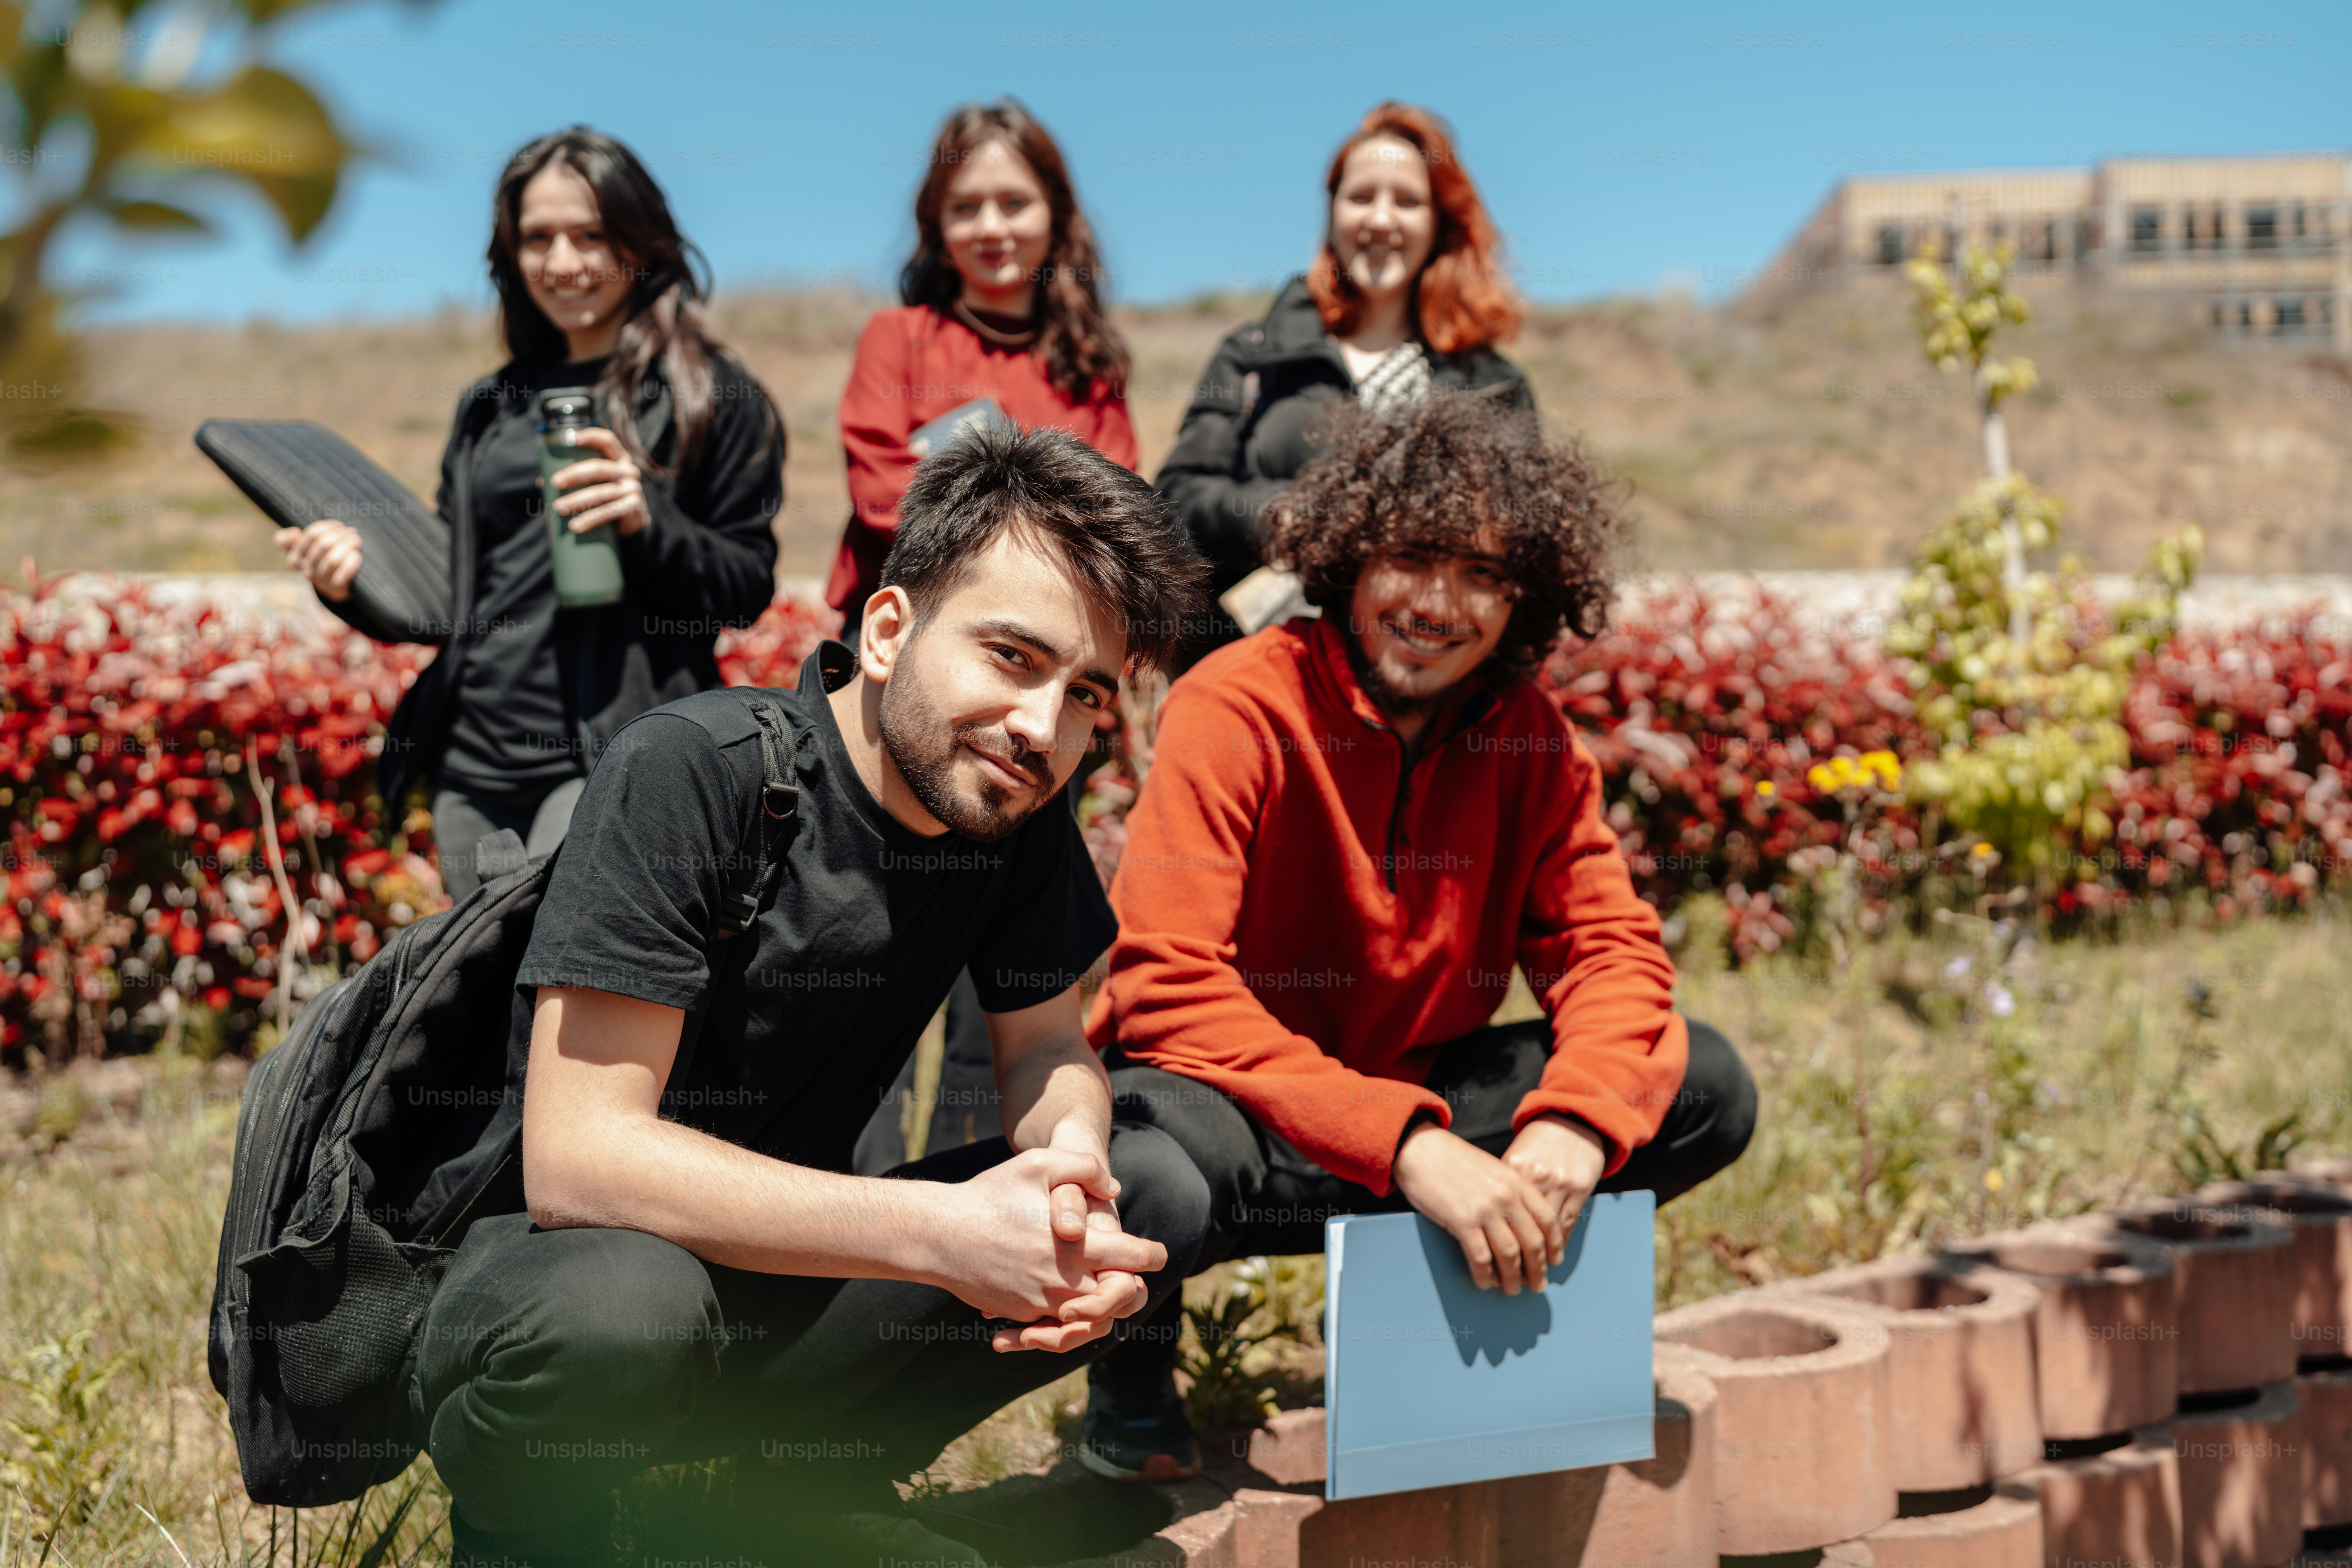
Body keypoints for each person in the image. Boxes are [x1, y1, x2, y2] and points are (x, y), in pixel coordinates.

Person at [416, 424, 1214, 1566]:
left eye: (1086, 694)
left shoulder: (1013, 803)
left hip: (778, 1287)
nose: (1043, 727)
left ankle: (783, 1493)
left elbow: (1045, 1048)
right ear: (888, 629)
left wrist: (1068, 1182)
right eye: (1009, 656)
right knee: (620, 1312)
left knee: (1151, 1188)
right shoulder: (696, 770)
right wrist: (942, 1233)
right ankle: (531, 1527)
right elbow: (579, 1161)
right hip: (558, 1283)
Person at [1077, 393, 1758, 1482]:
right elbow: (1163, 987)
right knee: (1143, 1159)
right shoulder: (1239, 702)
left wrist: (1571, 1129)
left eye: (1484, 575)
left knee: (1701, 1083)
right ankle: (1129, 1378)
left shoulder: (1526, 734)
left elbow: (1609, 957)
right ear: (1349, 557)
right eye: (1414, 559)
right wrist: (1409, 1146)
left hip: (1414, 1094)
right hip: (1247, 1116)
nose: (1439, 604)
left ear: (1525, 598)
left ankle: (1447, 1339)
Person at [280, 126, 784, 902]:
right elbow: (449, 597)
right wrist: (347, 582)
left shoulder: (707, 394)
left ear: (639, 240)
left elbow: (746, 584)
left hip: (607, 755)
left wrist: (647, 521)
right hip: (473, 765)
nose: (563, 262)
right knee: (482, 1003)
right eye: (538, 238)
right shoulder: (489, 407)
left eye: (591, 235)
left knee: (562, 988)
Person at [831, 99, 1137, 1173]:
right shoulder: (900, 339)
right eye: (967, 207)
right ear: (935, 223)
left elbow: (1116, 540)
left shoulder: (1090, 364)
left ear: (1057, 217)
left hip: (1037, 699)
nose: (993, 226)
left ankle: (977, 1216)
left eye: (1016, 201)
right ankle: (835, 1219)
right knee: (855, 962)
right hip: (907, 695)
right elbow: (888, 500)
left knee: (1003, 983)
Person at [1156, 102, 1531, 665]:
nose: (1381, 219)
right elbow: (1179, 500)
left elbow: (1520, 549)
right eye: (1361, 197)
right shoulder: (1256, 355)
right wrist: (1294, 515)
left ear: (1439, 220)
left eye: (1407, 200)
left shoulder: (1493, 387)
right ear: (1332, 213)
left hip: (1423, 677)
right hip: (1258, 667)